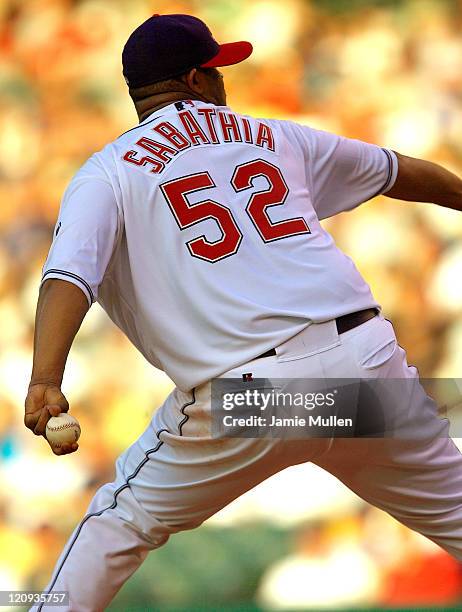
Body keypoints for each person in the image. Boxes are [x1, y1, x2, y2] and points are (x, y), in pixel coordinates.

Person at [25, 13, 462, 612]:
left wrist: (46, 378)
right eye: (218, 69)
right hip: (364, 365)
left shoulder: (108, 171)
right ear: (197, 80)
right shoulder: (277, 137)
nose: (226, 80)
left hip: (255, 396)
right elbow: (399, 172)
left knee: (118, 522)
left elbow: (67, 277)